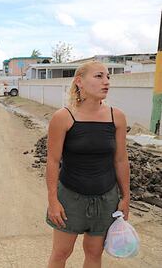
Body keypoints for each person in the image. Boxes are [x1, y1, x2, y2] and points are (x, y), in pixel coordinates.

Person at [45, 61, 130, 268]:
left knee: (94, 253)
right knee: (61, 253)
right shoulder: (63, 117)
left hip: (106, 198)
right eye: (99, 76)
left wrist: (126, 197)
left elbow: (120, 159)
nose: (106, 82)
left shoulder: (116, 117)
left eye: (108, 77)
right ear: (79, 82)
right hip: (70, 198)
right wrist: (53, 201)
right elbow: (53, 161)